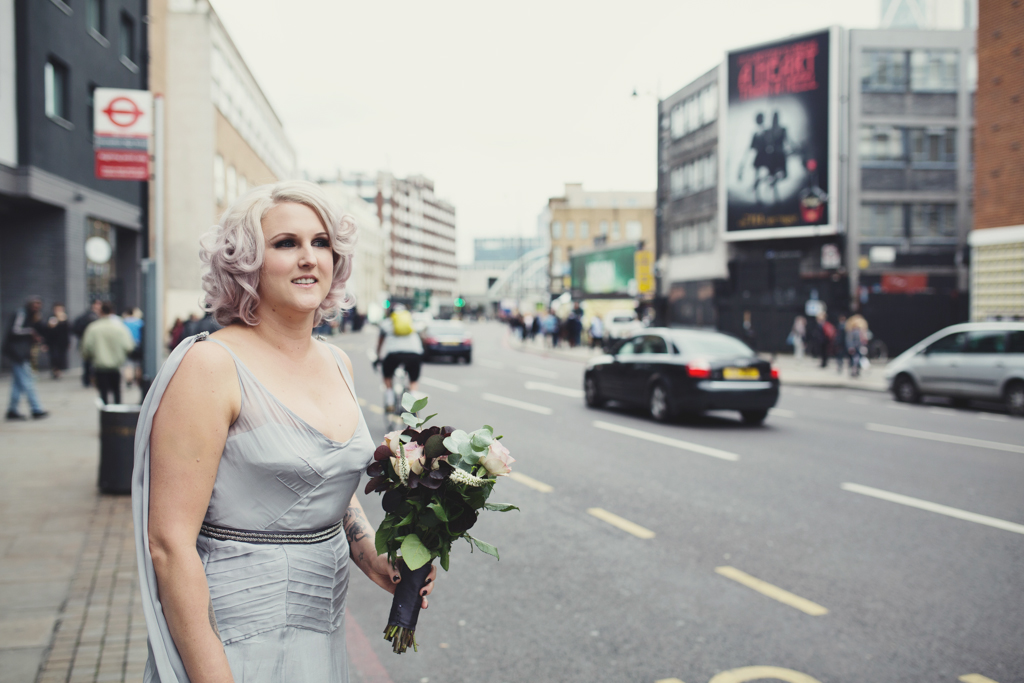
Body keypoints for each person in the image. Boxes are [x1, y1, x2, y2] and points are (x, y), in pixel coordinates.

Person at [132, 180, 436, 683]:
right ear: (247, 261)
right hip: (234, 640)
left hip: (321, 630)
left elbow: (327, 477)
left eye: (320, 243)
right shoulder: (211, 366)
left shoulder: (338, 362)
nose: (309, 258)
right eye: (286, 243)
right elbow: (168, 544)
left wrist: (372, 558)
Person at [81, 302, 135, 405]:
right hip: (116, 366)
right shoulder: (120, 327)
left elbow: (86, 348)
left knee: (103, 392)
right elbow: (129, 346)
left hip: (100, 366)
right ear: (112, 311)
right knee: (117, 391)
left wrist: (91, 357)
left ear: (100, 312)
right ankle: (118, 413)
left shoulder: (93, 328)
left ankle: (105, 415)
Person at [3, 296, 48, 420]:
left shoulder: (32, 316)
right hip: (18, 353)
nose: (37, 307)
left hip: (21, 352)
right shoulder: (21, 313)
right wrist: (31, 332)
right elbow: (15, 330)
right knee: (28, 381)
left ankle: (12, 410)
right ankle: (36, 409)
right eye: (35, 304)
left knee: (18, 384)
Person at [375, 303, 423, 409]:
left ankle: (390, 400)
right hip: (414, 353)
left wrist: (378, 356)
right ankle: (413, 404)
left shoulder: (386, 323)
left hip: (394, 354)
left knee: (387, 374)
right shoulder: (412, 321)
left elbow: (380, 343)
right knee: (413, 380)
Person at [72, 299, 102, 388]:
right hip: (89, 343)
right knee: (89, 363)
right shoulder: (91, 317)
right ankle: (89, 380)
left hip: (86, 342)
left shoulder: (88, 316)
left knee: (88, 363)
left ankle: (88, 380)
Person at [44, 303, 71, 379]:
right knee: (54, 357)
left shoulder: (65, 319)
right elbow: (48, 332)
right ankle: (55, 370)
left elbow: (67, 332)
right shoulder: (51, 318)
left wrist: (68, 342)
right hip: (53, 343)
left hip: (62, 342)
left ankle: (59, 370)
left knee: (61, 357)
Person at [122, 308, 144, 387]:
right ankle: (138, 379)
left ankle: (129, 379)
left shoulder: (124, 322)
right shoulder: (139, 322)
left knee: (128, 364)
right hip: (138, 345)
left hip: (127, 344)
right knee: (138, 364)